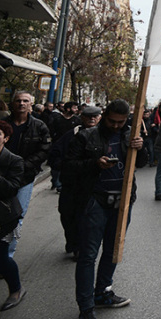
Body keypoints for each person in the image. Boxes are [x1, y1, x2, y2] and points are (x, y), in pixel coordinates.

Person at [62, 99, 146, 319]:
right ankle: (86, 307)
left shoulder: (132, 134)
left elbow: (144, 162)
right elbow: (68, 167)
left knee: (113, 249)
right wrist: (94, 164)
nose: (117, 126)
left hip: (122, 202)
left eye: (121, 122)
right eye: (112, 121)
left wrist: (141, 147)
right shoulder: (86, 136)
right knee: (88, 255)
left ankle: (103, 292)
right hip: (94, 202)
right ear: (104, 116)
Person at [0, 121, 26, 311]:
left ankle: (16, 290)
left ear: (6, 138)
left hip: (3, 219)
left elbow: (11, 189)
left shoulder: (14, 161)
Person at [5, 90, 51, 259]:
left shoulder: (39, 126)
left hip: (24, 177)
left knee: (17, 215)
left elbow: (44, 150)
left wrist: (24, 166)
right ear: (12, 103)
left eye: (25, 101)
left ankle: (7, 255)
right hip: (1, 176)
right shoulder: (2, 125)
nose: (21, 104)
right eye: (18, 101)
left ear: (31, 104)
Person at [56, 106, 103, 258]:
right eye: (88, 116)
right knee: (68, 215)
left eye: (95, 116)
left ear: (100, 117)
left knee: (87, 219)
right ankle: (72, 242)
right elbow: (56, 155)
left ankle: (81, 247)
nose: (92, 119)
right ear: (81, 117)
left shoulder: (105, 136)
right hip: (72, 183)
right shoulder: (71, 135)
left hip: (93, 186)